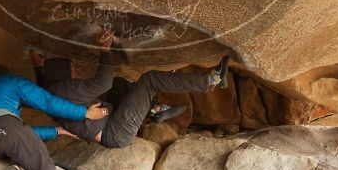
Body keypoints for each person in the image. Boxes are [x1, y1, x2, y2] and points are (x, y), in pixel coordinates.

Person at [32, 29, 230, 148]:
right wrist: (105, 50)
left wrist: (38, 67)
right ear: (63, 75)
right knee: (149, 80)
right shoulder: (66, 89)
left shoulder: (50, 92)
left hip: (111, 121)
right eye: (71, 69)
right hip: (115, 132)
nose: (74, 71)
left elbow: (42, 87)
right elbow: (102, 83)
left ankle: (153, 111)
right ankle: (211, 80)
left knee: (120, 83)